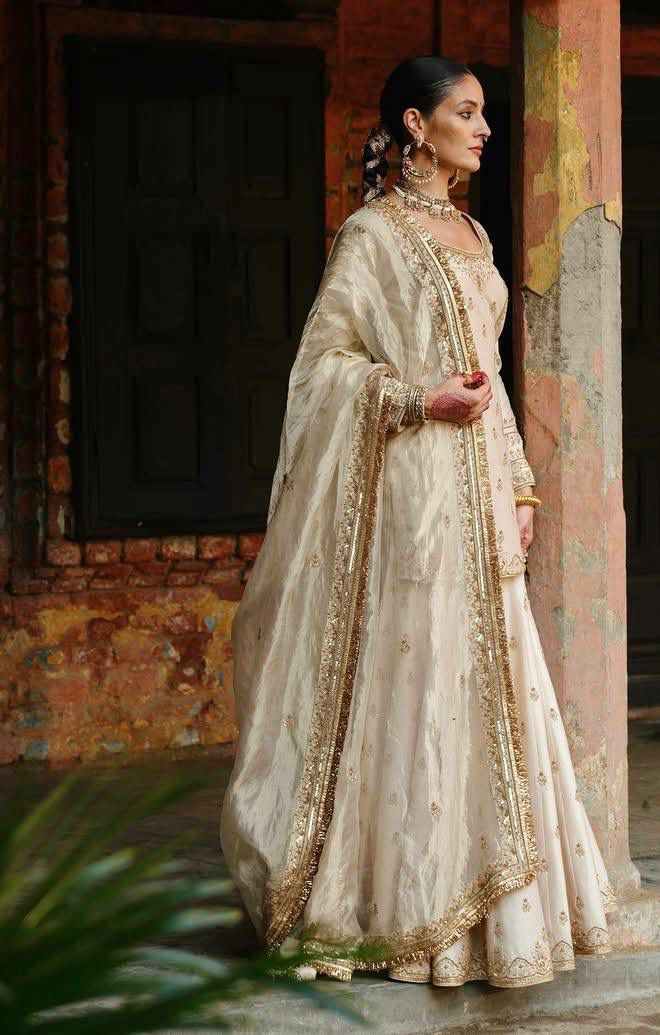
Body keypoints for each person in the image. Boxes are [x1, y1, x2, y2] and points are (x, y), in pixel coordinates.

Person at [220, 55, 617, 989]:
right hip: (412, 493)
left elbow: (493, 376)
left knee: (494, 679)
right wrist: (414, 399)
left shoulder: (473, 233)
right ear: (415, 124)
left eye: (482, 114)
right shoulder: (372, 234)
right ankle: (405, 916)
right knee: (420, 677)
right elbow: (321, 369)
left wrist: (519, 489)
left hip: (481, 495)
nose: (484, 129)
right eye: (465, 113)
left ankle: (492, 924)